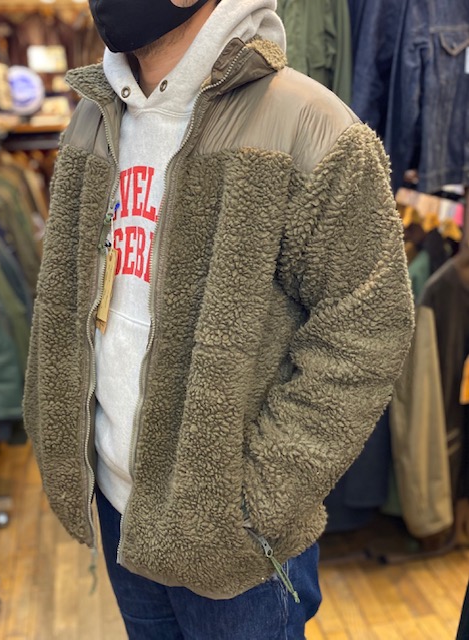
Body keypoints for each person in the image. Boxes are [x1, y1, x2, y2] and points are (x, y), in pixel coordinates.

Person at [23, 0, 415, 637]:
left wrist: (258, 500)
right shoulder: (93, 117)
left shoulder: (308, 124)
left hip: (235, 542)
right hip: (118, 508)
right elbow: (65, 301)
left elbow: (368, 325)